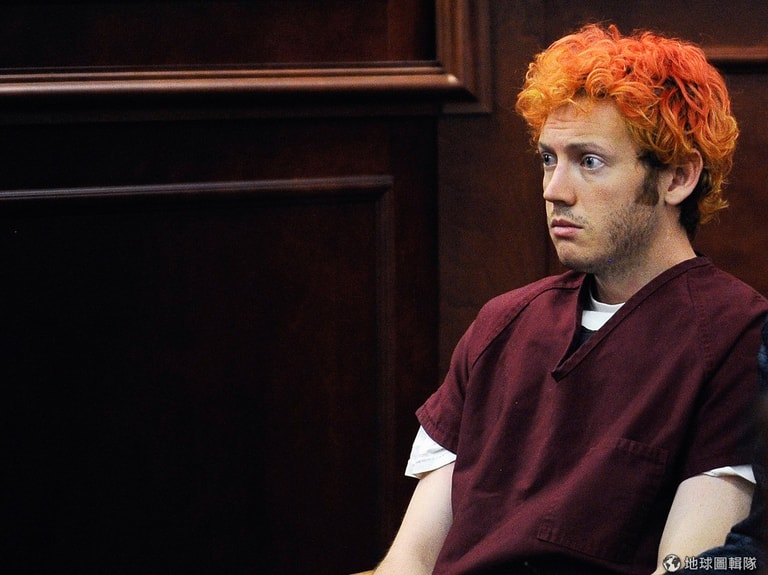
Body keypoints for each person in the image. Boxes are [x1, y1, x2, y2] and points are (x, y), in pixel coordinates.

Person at [372, 23, 768, 575]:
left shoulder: (737, 337)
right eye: (547, 159)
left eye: (589, 161)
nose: (554, 189)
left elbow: (689, 565)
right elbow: (411, 560)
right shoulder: (502, 324)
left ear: (677, 178)